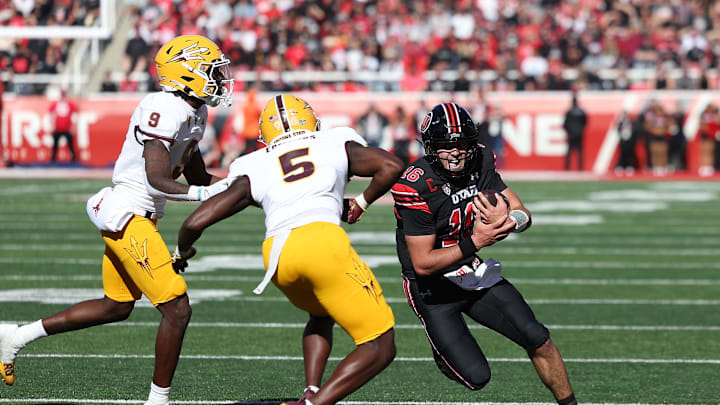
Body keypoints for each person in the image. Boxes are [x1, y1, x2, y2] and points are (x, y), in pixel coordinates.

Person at [0, 35, 234, 405]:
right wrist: (204, 195)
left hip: (142, 217)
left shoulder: (196, 112)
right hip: (128, 214)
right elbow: (159, 178)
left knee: (116, 306)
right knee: (177, 308)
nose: (221, 77)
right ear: (187, 74)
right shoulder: (163, 106)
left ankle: (15, 336)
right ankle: (158, 402)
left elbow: (199, 177)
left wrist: (246, 186)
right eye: (212, 70)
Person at [173, 94, 402, 405]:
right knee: (380, 345)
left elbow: (194, 223)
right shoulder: (334, 140)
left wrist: (182, 252)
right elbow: (391, 165)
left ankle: (311, 389)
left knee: (320, 314)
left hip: (279, 258)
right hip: (322, 243)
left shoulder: (255, 162)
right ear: (311, 121)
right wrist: (360, 203)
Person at [391, 103, 577, 405]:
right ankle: (444, 353)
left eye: (463, 144)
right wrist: (476, 241)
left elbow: (521, 211)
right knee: (477, 377)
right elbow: (423, 264)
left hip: (472, 271)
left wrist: (512, 222)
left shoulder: (481, 161)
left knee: (538, 338)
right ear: (430, 148)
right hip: (432, 288)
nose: (456, 152)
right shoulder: (414, 185)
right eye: (445, 146)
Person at [49, 88, 79, 163]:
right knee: (55, 145)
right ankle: (53, 159)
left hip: (67, 128)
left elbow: (75, 114)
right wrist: (52, 126)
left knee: (70, 145)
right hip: (58, 128)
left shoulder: (69, 104)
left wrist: (73, 127)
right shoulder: (56, 103)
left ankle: (73, 159)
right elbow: (51, 114)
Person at [563, 92, 587, 171]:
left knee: (569, 152)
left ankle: (567, 168)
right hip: (579, 134)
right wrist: (580, 130)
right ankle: (580, 168)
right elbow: (585, 122)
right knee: (580, 152)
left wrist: (569, 131)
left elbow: (565, 123)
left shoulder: (569, 112)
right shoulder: (581, 112)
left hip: (571, 134)